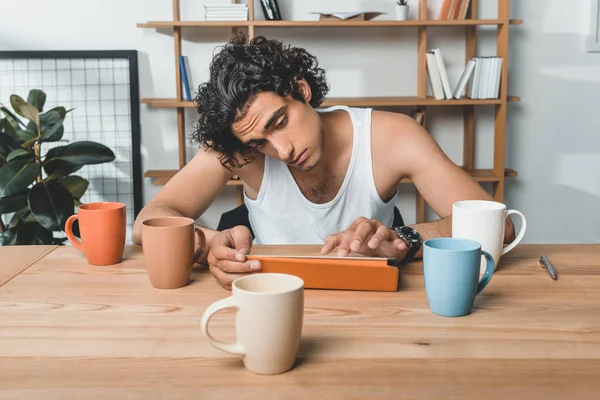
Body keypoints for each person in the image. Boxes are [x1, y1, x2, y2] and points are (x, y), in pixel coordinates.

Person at [133, 33, 515, 289]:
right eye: (260, 142)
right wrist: (207, 244)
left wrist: (404, 239)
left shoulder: (393, 136)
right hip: (272, 294)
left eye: (279, 123)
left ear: (301, 89)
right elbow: (145, 225)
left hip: (372, 298)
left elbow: (498, 228)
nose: (281, 151)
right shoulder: (241, 149)